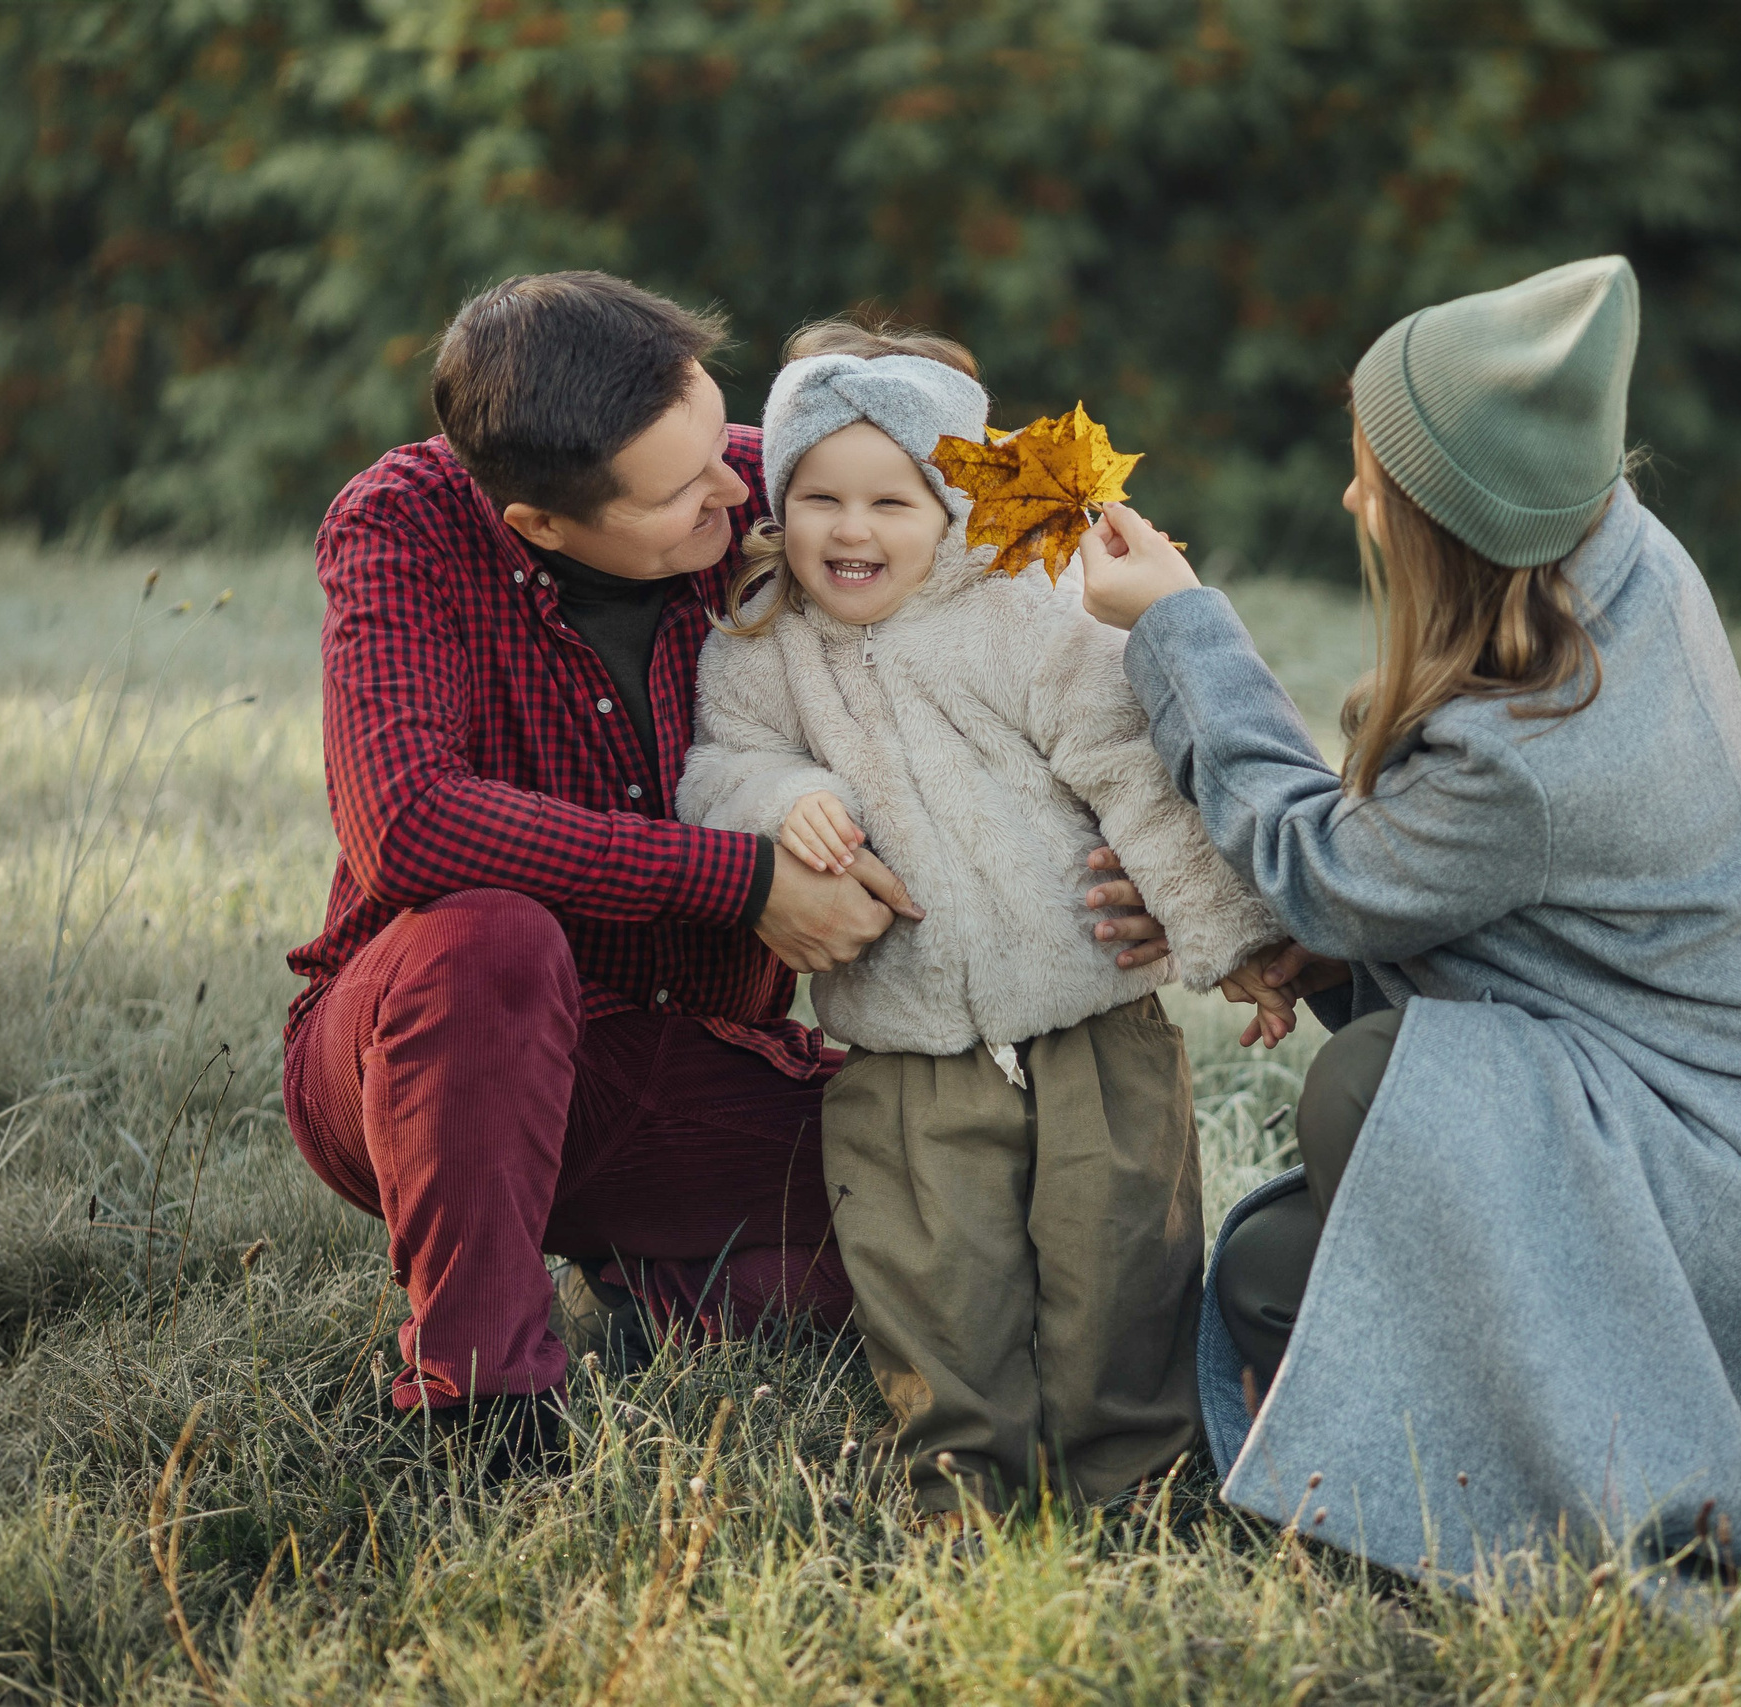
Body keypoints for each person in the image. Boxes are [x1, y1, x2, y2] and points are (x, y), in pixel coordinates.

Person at [1073, 256, 1741, 1614]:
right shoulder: (1622, 560)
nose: (1350, 498)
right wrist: (1321, 948)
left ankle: (1555, 1478)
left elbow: (1329, 875)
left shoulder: (1537, 743)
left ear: (1453, 527)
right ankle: (1445, 1432)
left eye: (1375, 479)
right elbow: (1456, 910)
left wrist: (1188, 631)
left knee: (1367, 1085)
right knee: (1264, 1277)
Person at [280, 274, 1173, 1471]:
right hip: (426, 1064)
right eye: (682, 489)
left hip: (692, 1060)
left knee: (957, 1239)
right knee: (484, 940)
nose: (735, 485)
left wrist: (1134, 843)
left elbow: (1031, 558)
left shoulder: (789, 479)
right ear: (540, 522)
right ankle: (483, 1404)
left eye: (720, 439)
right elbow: (408, 823)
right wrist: (740, 879)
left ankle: (667, 1277)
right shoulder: (404, 523)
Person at [676, 321, 1291, 1518]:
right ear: (777, 500)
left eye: (890, 501)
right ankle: (966, 1493)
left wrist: (1234, 940)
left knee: (1118, 1261)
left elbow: (1138, 779)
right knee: (932, 1281)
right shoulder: (764, 639)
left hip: (1088, 1017)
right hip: (902, 1046)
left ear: (952, 505)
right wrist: (787, 798)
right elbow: (721, 763)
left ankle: (1134, 1485)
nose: (850, 531)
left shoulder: (1027, 612)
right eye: (817, 497)